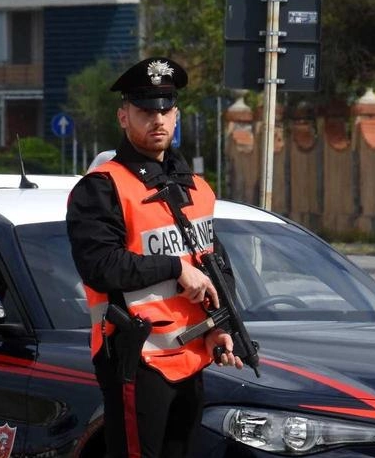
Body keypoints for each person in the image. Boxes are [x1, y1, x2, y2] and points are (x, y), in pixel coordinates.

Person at [67, 57, 244, 458]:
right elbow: (100, 267)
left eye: (165, 110)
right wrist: (173, 268)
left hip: (192, 354)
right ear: (124, 116)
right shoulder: (102, 187)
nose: (157, 119)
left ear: (177, 114)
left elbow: (213, 264)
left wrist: (220, 326)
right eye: (146, 111)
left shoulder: (196, 187)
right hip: (136, 358)